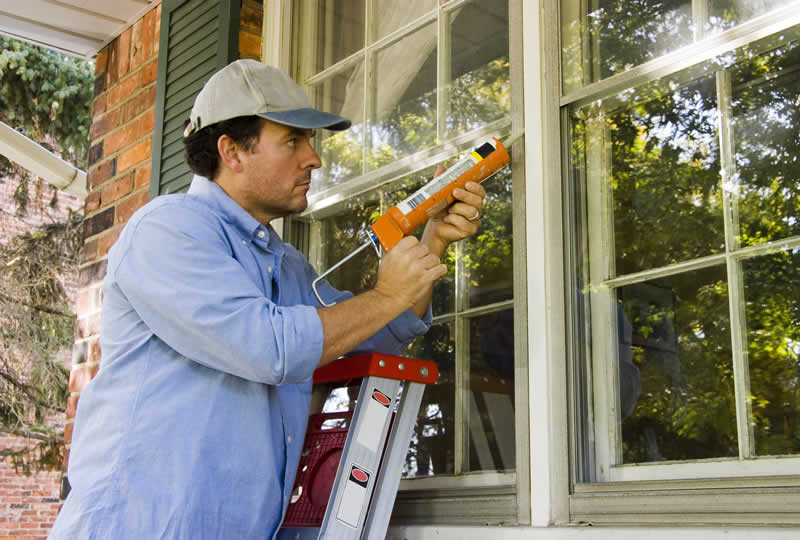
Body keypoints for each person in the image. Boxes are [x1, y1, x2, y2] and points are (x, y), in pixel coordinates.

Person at [48, 59, 486, 539]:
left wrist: (433, 242)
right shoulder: (168, 229)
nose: (314, 158)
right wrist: (385, 294)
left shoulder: (285, 264)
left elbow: (377, 334)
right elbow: (269, 346)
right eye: (293, 141)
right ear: (232, 152)